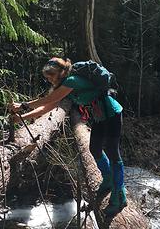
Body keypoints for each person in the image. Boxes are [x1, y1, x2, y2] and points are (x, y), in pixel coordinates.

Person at [9, 57, 127, 216]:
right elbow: (47, 107)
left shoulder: (72, 81)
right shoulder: (65, 88)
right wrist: (22, 116)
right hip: (100, 116)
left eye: (51, 75)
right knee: (95, 149)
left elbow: (49, 99)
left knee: (113, 152)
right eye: (47, 77)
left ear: (60, 73)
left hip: (112, 113)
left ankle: (119, 194)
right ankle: (107, 180)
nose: (49, 79)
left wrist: (23, 105)